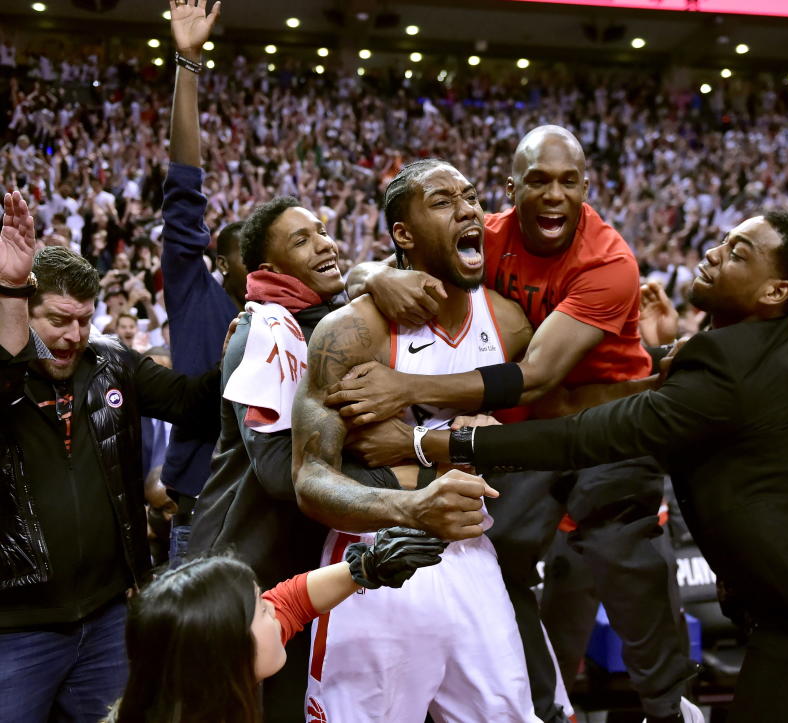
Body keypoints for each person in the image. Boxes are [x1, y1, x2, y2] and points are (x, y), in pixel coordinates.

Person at [413, 211, 788, 723]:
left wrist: (452, 443)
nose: (714, 253)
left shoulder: (729, 364)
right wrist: (664, 356)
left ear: (776, 292)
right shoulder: (749, 348)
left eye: (738, 254)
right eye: (722, 240)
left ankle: (669, 708)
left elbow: (595, 436)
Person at [338, 125, 697, 723]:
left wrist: (407, 388)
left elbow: (536, 376)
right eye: (538, 180)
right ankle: (543, 706)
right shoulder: (486, 235)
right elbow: (394, 262)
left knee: (621, 552)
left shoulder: (609, 262)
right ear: (512, 188)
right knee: (495, 557)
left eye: (568, 182)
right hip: (523, 432)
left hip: (603, 425)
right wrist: (375, 275)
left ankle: (669, 709)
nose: (554, 194)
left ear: (587, 187)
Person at [293, 158, 540, 722]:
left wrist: (456, 447)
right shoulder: (353, 333)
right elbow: (309, 479)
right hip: (374, 556)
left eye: (471, 197)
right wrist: (413, 506)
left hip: (472, 551)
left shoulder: (509, 322)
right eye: (443, 201)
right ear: (403, 234)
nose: (468, 209)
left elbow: (557, 423)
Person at [0, 190, 220, 723]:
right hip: (14, 628)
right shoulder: (7, 374)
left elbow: (193, 405)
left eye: (84, 319)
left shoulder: (112, 364)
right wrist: (9, 288)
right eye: (58, 320)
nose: (73, 335)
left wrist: (245, 341)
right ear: (25, 312)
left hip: (108, 617)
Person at [107, 527, 447, 723]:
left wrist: (368, 567)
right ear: (226, 649)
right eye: (261, 609)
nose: (273, 609)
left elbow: (292, 602)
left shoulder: (186, 686)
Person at [160, 0, 245, 566]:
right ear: (221, 261)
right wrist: (188, 67)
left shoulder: (307, 320)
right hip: (202, 519)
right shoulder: (198, 295)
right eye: (254, 251)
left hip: (276, 519)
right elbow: (184, 190)